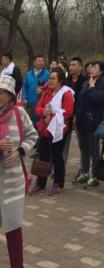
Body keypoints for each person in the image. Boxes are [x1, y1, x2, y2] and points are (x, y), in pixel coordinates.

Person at [0, 76, 37, 268]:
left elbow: (32, 135)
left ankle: (17, 265)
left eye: (1, 92)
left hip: (13, 180)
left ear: (10, 95)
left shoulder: (20, 114)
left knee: (13, 226)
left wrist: (20, 151)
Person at [29, 67, 74, 196]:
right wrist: (44, 112)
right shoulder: (47, 92)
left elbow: (68, 112)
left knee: (57, 156)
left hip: (58, 130)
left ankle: (58, 183)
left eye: (53, 78)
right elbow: (38, 107)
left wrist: (53, 117)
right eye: (49, 78)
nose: (49, 80)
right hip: (45, 129)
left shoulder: (66, 93)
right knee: (43, 156)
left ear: (60, 80)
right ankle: (40, 183)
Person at [73, 61, 104, 190]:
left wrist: (93, 87)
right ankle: (84, 172)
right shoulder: (86, 82)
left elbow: (97, 99)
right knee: (84, 148)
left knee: (94, 150)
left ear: (101, 71)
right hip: (82, 120)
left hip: (94, 122)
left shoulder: (103, 85)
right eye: (92, 67)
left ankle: (95, 176)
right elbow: (80, 100)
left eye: (95, 68)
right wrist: (76, 116)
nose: (92, 69)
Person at [64, 56, 87, 163]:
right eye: (70, 65)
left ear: (80, 67)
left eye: (74, 65)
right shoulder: (65, 81)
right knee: (64, 143)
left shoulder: (85, 82)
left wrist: (77, 115)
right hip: (67, 115)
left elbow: (84, 100)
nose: (71, 67)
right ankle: (61, 167)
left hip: (80, 116)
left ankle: (83, 168)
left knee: (83, 145)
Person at [21, 55, 50, 126]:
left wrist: (42, 92)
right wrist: (24, 98)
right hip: (30, 105)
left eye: (42, 61)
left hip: (42, 106)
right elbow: (24, 87)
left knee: (40, 127)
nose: (41, 63)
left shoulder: (48, 74)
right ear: (34, 63)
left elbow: (50, 88)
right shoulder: (28, 74)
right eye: (38, 61)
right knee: (30, 125)